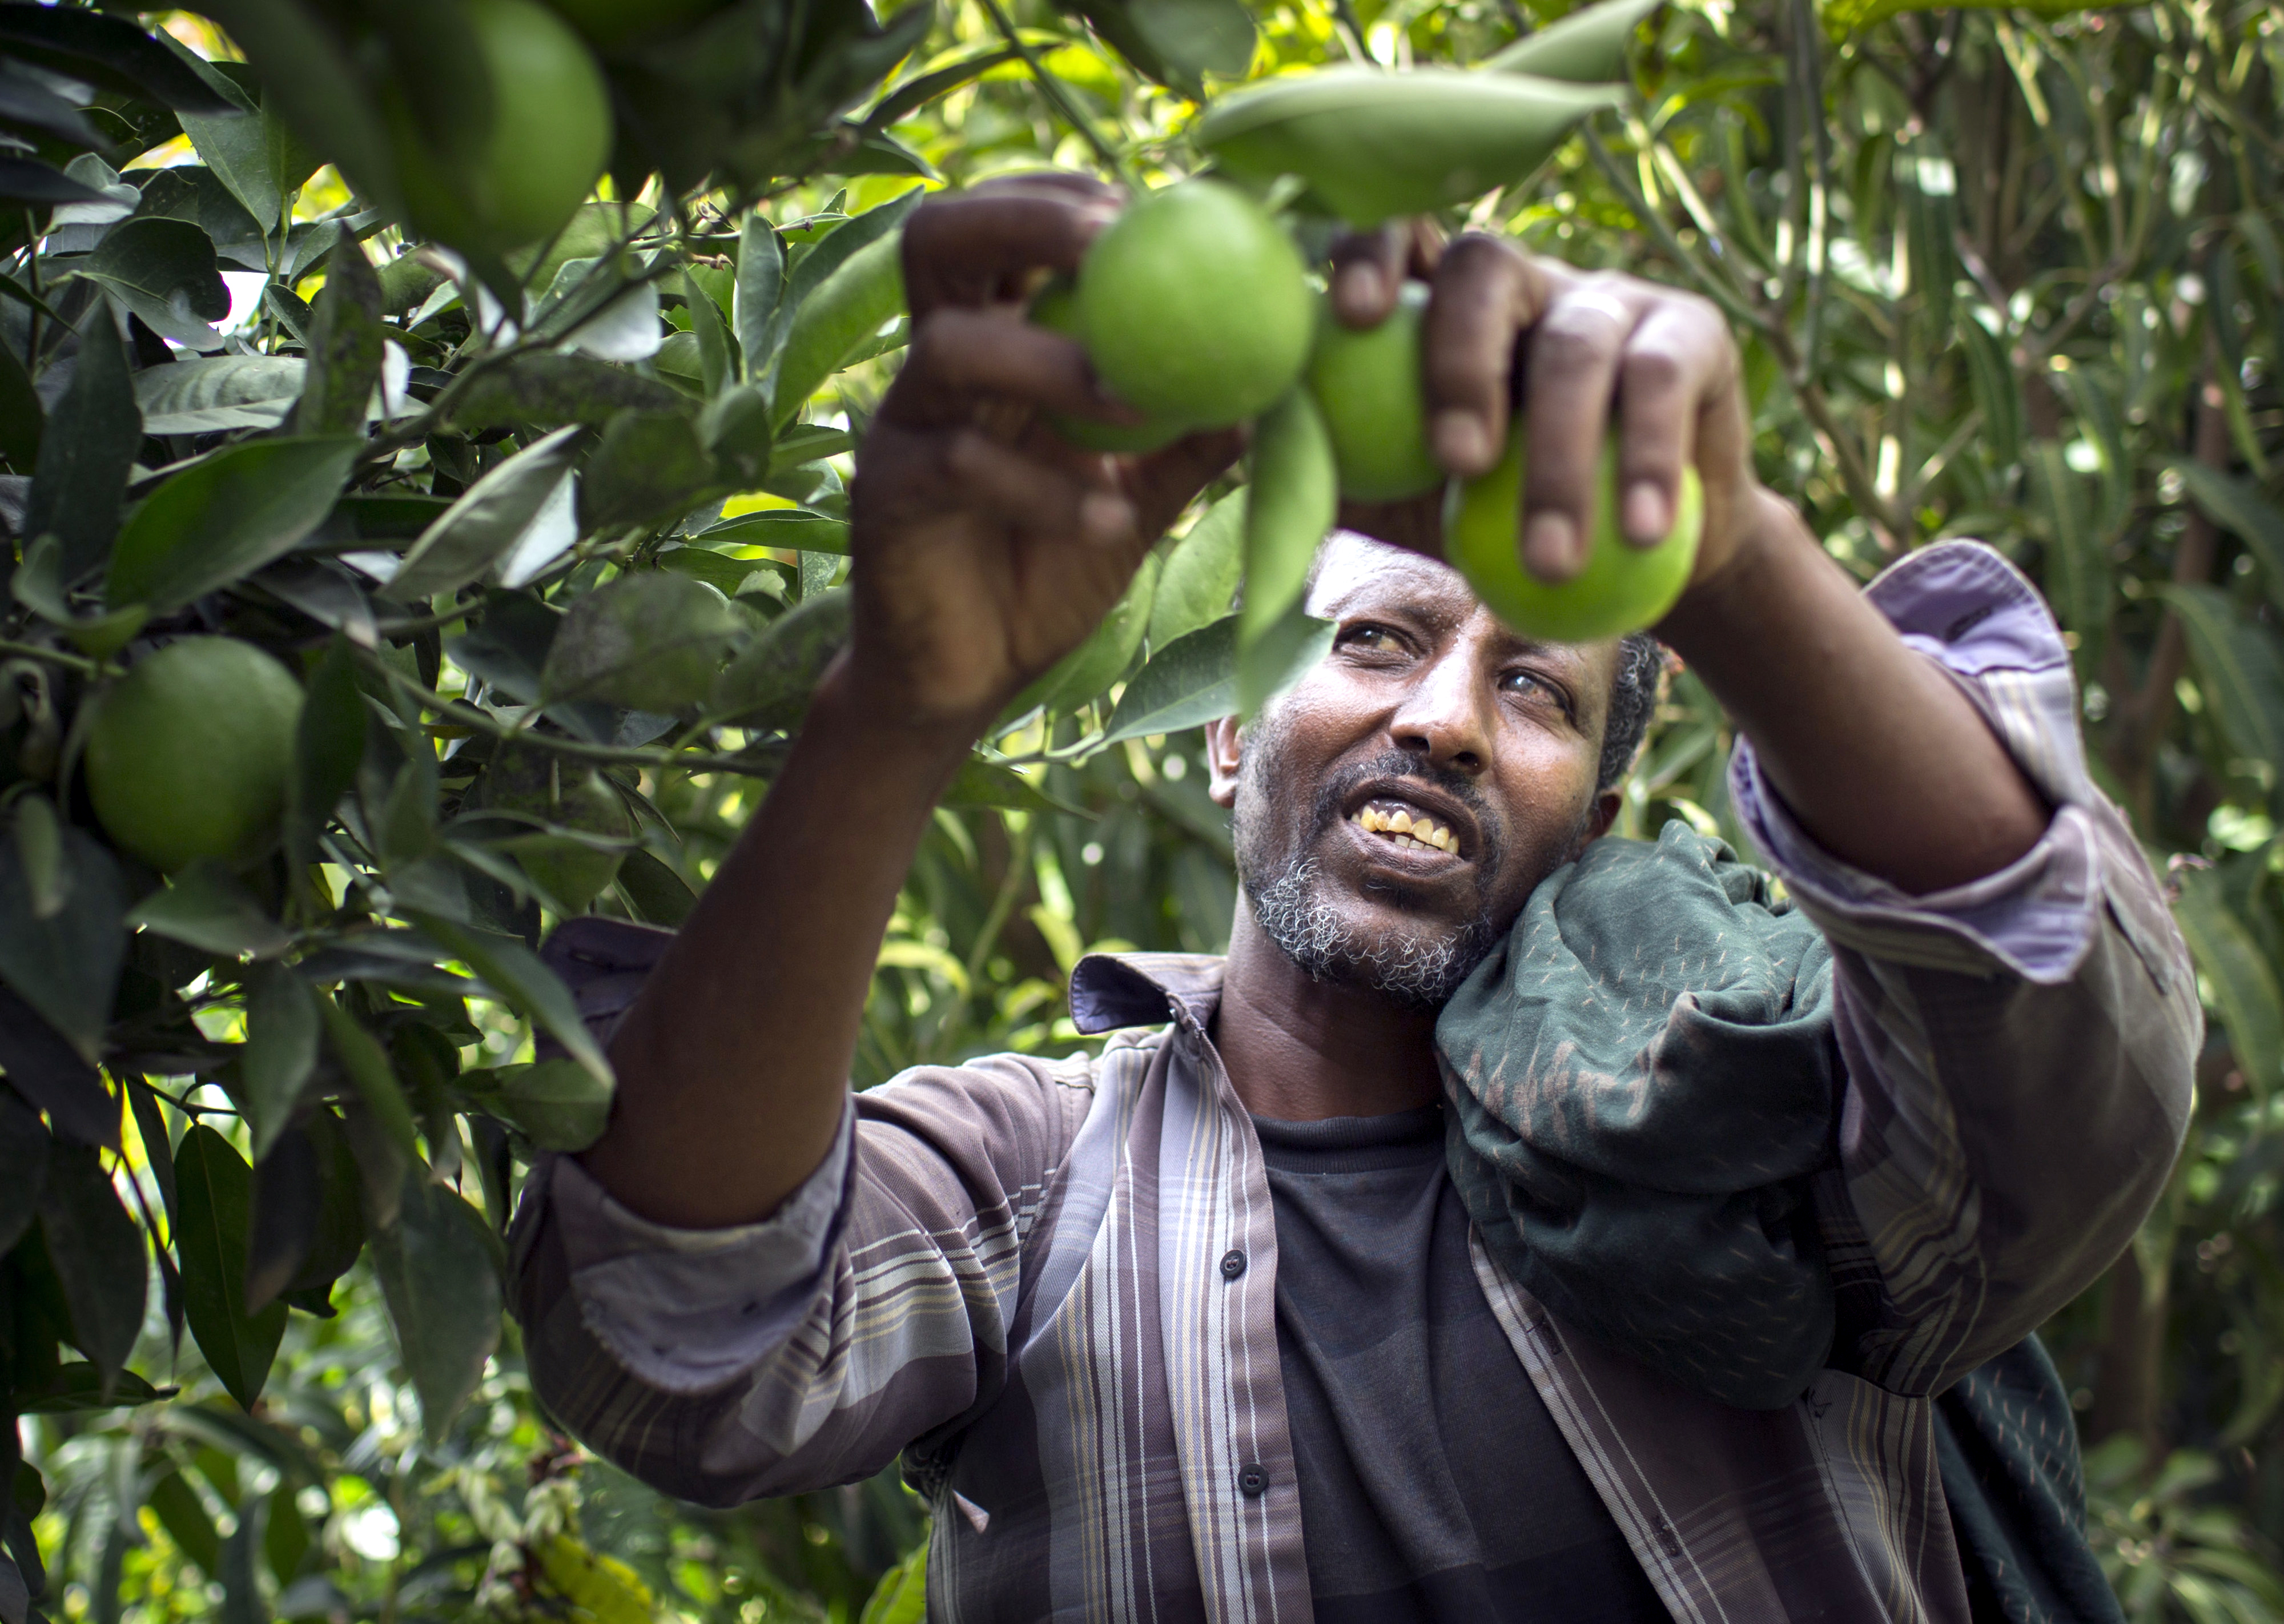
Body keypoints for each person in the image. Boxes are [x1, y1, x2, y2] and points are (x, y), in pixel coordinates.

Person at [508, 176, 2198, 1621]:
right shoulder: (1036, 1184)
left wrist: (1731, 552)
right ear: (1230, 731)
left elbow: (2075, 1078)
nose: (1447, 720)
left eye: (1536, 689)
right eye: (1377, 640)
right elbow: (676, 1336)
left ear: (1601, 808)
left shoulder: (1735, 1101)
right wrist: (897, 702)